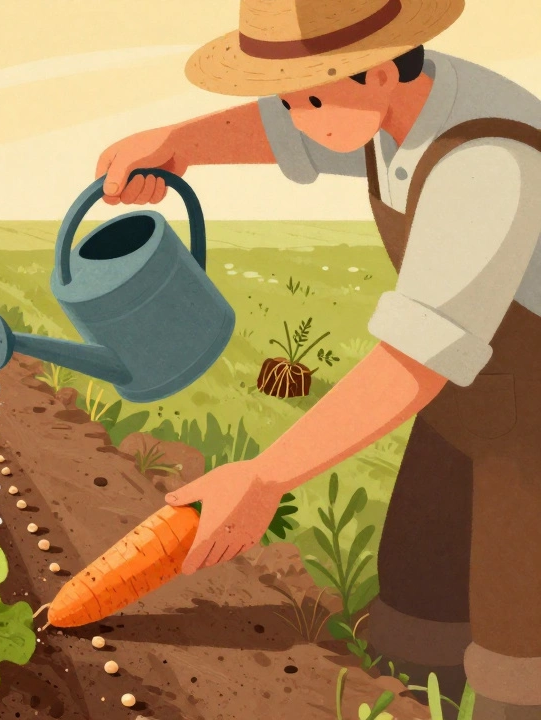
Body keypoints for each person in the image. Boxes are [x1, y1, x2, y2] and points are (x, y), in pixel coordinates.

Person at [94, 0, 541, 715]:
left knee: (517, 623)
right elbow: (286, 131)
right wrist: (178, 142)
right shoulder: (388, 106)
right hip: (477, 384)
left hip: (533, 408)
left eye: (313, 94)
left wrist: (265, 476)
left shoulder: (487, 163)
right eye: (288, 95)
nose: (299, 117)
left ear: (386, 69)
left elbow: (414, 361)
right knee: (417, 585)